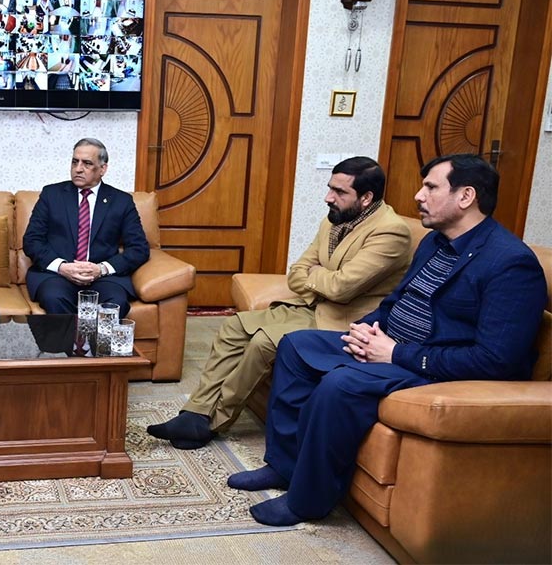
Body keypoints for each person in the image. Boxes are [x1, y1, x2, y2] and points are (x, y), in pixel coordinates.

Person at [227, 154, 547, 527]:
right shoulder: (433, 243)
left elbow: (496, 360)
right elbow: (396, 302)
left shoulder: (511, 264)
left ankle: (306, 502)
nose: (418, 195)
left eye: (430, 187)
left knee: (340, 384)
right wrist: (365, 328)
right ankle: (284, 465)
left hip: (435, 367)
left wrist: (396, 353)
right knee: (297, 345)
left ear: (466, 196)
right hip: (391, 345)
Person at [147, 157, 412, 448]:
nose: (328, 197)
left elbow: (342, 289)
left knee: (263, 342)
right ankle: (195, 412)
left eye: (339, 192)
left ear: (366, 198)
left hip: (342, 319)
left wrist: (319, 277)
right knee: (234, 327)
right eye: (329, 188)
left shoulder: (391, 232)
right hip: (311, 304)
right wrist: (320, 278)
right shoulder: (335, 218)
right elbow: (298, 272)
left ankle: (212, 422)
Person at [23, 138, 149, 317]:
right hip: (58, 275)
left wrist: (101, 269)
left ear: (103, 169)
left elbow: (139, 249)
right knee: (54, 297)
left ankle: (98, 345)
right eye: (75, 162)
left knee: (116, 303)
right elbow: (32, 241)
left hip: (103, 277)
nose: (78, 169)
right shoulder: (52, 195)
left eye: (87, 163)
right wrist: (62, 267)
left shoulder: (121, 201)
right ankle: (69, 345)